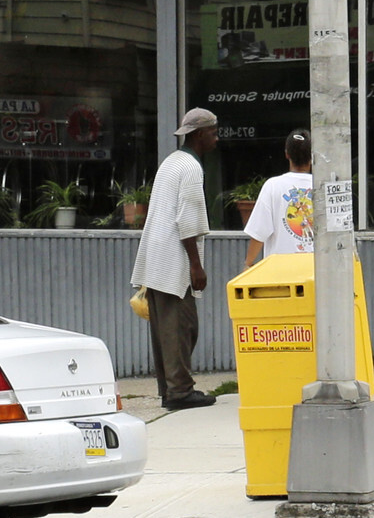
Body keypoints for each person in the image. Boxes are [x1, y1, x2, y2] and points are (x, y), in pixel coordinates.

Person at [131, 107, 220, 410]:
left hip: (156, 256)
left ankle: (169, 390)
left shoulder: (171, 162)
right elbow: (188, 221)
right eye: (213, 132)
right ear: (198, 135)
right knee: (182, 326)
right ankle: (180, 390)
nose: (216, 139)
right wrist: (196, 265)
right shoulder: (191, 169)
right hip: (174, 258)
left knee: (163, 329)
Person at [242, 129, 315, 273]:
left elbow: (258, 233)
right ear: (312, 156)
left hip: (280, 275)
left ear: (287, 154)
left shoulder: (273, 186)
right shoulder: (321, 187)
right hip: (316, 274)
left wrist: (248, 264)